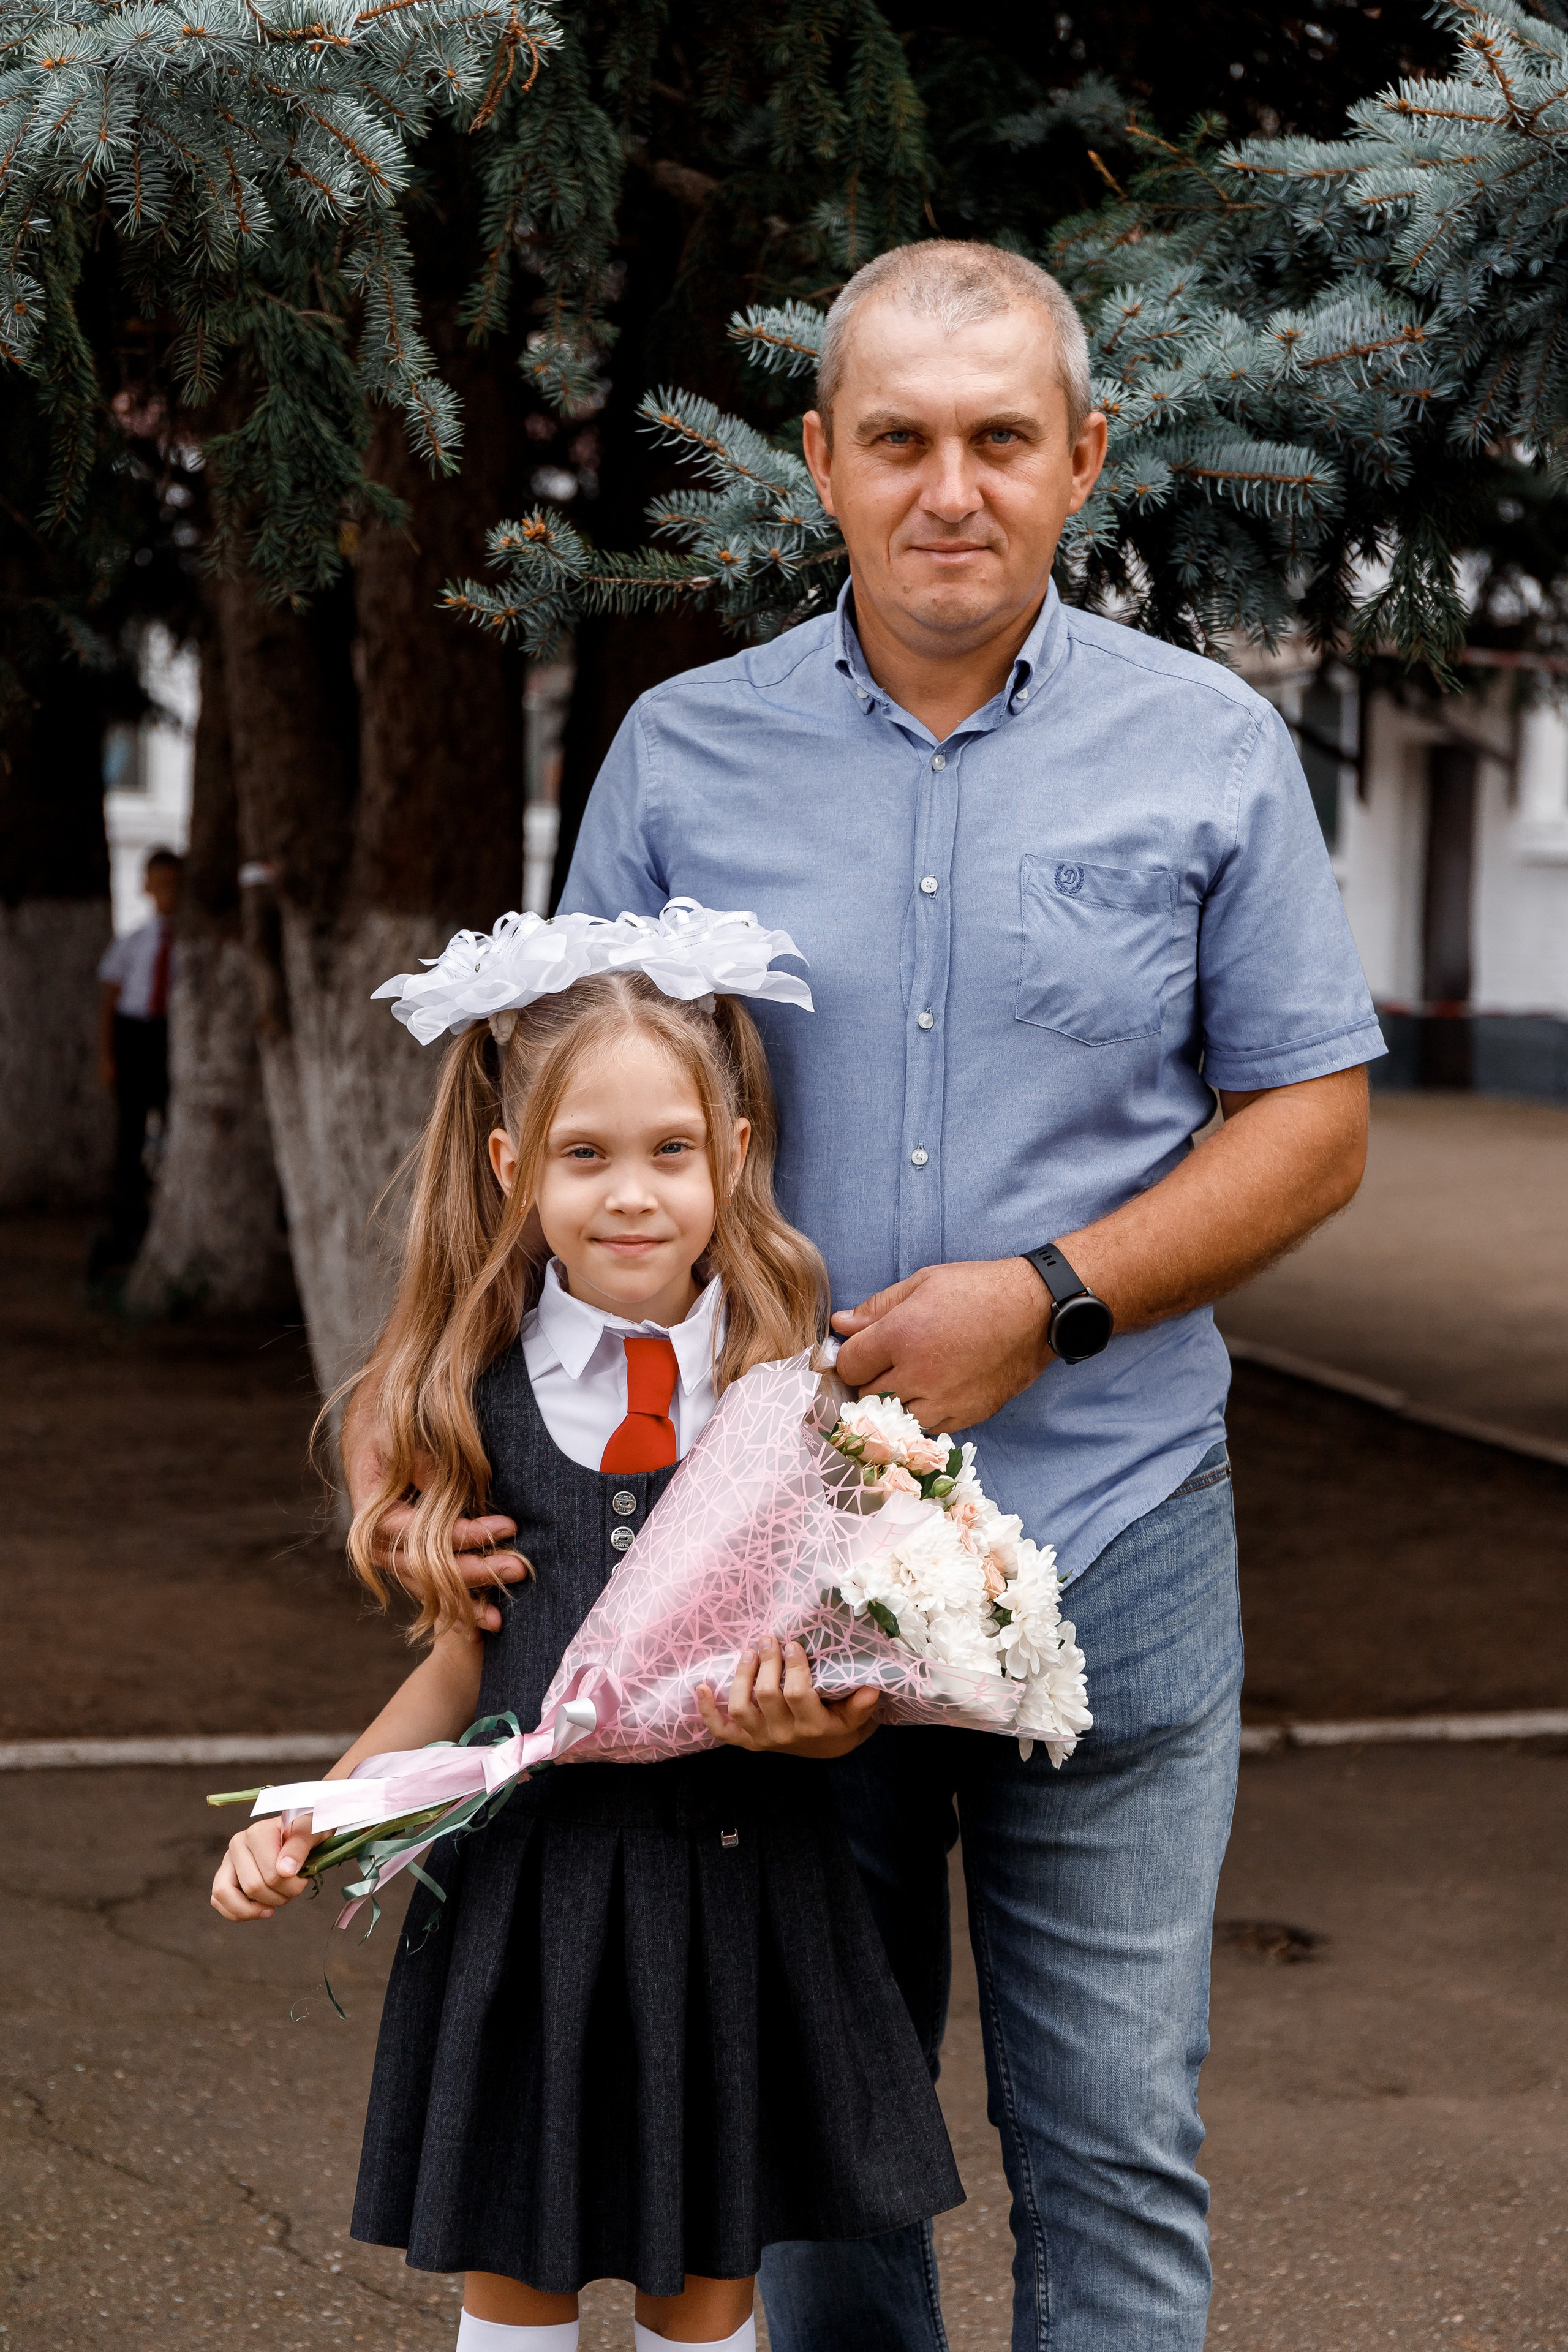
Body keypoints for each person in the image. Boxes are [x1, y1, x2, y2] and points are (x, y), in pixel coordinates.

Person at [350, 240, 1384, 2351]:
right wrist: (441, 1458)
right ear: (818, 462)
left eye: (1002, 440)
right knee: (815, 2148)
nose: (950, 488)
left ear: (1083, 459)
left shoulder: (1206, 750)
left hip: (1113, 1529)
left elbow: (1316, 1123)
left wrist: (1050, 1298)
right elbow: (555, 1135)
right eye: (898, 440)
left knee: (1113, 2134)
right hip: (770, 1563)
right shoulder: (678, 754)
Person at [213, 908, 963, 2352]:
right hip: (525, 1909)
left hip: (737, 1897)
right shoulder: (463, 1400)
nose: (632, 1194)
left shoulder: (798, 1402)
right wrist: (313, 1812)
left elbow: (847, 1678)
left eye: (670, 1150)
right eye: (584, 1154)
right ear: (512, 1168)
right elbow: (456, 1669)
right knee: (518, 2277)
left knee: (705, 2288)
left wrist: (829, 1717)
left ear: (735, 1152)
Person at [95, 846, 181, 1270]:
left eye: (174, 884)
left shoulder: (190, 947)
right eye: (159, 884)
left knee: (171, 1128)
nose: (167, 893)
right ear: (146, 887)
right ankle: (123, 1224)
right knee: (129, 1135)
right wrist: (108, 1056)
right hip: (135, 1038)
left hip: (171, 1040)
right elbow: (109, 1002)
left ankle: (163, 1210)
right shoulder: (131, 942)